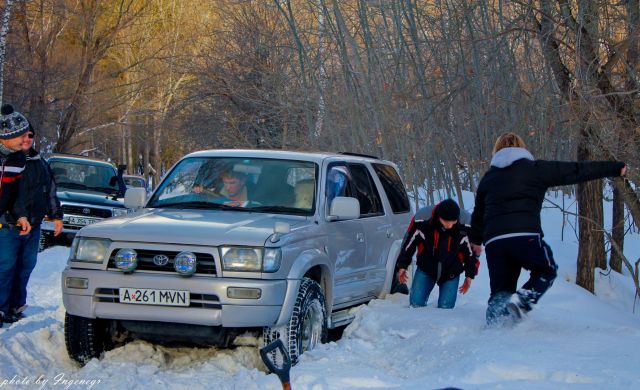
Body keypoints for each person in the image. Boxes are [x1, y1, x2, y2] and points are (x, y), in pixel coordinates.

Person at [470, 132, 627, 325]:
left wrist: (475, 240)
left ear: (496, 151)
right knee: (546, 270)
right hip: (524, 236)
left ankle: (495, 325)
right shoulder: (535, 169)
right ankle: (522, 301)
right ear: (522, 148)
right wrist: (614, 168)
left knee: (501, 290)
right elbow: (575, 170)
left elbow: (478, 213)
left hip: (495, 242)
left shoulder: (489, 178)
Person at [1, 123, 63, 325]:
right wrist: (15, 216)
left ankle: (16, 306)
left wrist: (56, 215)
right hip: (9, 225)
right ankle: (2, 308)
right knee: (6, 267)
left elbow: (50, 190)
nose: (26, 139)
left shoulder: (40, 162)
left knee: (26, 266)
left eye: (30, 136)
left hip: (33, 225)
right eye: (23, 136)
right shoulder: (10, 160)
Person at [396, 199, 479, 309]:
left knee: (446, 307)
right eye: (446, 221)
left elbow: (471, 253)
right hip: (426, 267)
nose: (449, 225)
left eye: (453, 221)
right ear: (439, 217)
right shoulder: (422, 219)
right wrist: (402, 265)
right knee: (415, 304)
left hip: (451, 271)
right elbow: (409, 243)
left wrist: (470, 275)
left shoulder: (466, 224)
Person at [0, 104, 33, 327]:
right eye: (21, 136)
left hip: (4, 219)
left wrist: (20, 215)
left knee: (6, 265)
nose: (26, 140)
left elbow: (16, 193)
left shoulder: (18, 160)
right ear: (6, 137)